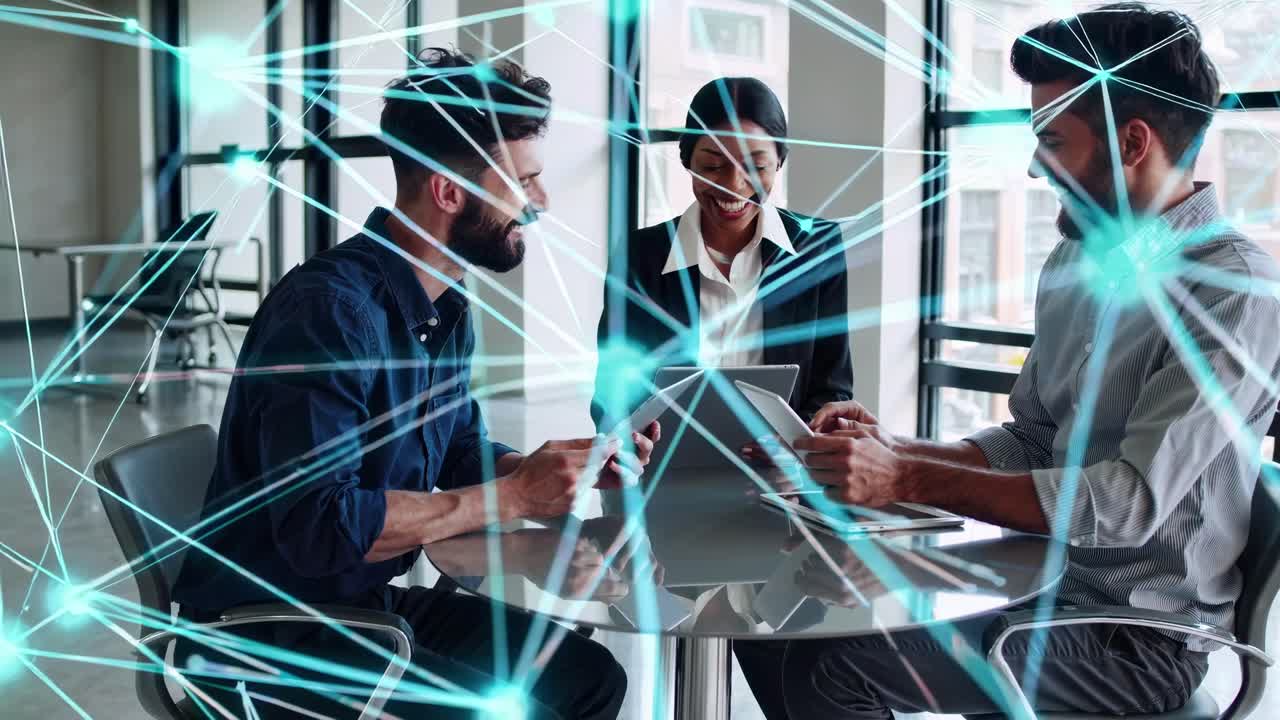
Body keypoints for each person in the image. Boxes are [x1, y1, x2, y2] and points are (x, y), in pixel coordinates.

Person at [735, 4, 1280, 718]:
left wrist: (902, 477)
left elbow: (1125, 505)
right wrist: (893, 449)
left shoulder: (1233, 293)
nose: (1032, 166)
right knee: (771, 620)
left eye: (1051, 140)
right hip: (1032, 585)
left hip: (1135, 640)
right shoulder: (1074, 261)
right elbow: (1031, 436)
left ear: (1131, 142)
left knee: (835, 662)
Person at [171, 48, 659, 720]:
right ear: (449, 192)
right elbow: (321, 530)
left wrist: (561, 472)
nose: (541, 203)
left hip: (356, 611)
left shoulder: (445, 306)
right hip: (266, 639)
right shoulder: (329, 314)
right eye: (524, 181)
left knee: (585, 677)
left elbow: (460, 455)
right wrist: (516, 494)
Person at [591, 77, 853, 432]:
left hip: (783, 469)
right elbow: (613, 391)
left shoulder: (817, 248)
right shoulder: (641, 256)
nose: (733, 184)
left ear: (779, 163)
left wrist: (797, 443)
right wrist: (633, 441)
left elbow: (831, 388)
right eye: (714, 166)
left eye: (756, 166)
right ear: (688, 161)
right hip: (663, 464)